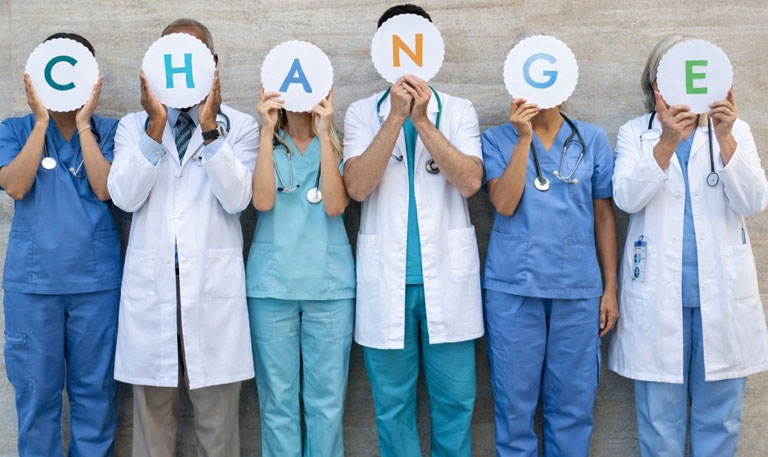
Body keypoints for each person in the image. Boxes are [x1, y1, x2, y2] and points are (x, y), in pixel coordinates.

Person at [608, 35, 768, 457]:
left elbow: (754, 201)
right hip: (658, 298)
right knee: (659, 424)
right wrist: (666, 143)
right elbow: (626, 198)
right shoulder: (635, 134)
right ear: (655, 86)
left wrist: (727, 137)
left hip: (723, 298)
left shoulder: (738, 132)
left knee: (721, 420)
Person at [107, 19, 258, 457]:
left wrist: (210, 128)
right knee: (151, 429)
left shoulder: (240, 127)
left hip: (213, 294)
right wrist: (156, 126)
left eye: (197, 54)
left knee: (219, 428)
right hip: (151, 292)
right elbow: (124, 196)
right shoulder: (134, 127)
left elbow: (236, 199)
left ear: (213, 64)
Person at [343, 4, 484, 456]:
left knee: (455, 404)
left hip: (449, 277)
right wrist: (395, 120)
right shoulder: (362, 113)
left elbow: (469, 182)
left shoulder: (458, 111)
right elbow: (358, 187)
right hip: (388, 282)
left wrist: (422, 120)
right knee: (391, 407)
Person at [481, 32, 619, 457]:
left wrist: (610, 288)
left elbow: (603, 217)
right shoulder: (497, 139)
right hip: (513, 290)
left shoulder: (592, 140)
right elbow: (503, 203)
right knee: (514, 409)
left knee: (573, 408)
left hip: (577, 291)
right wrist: (523, 139)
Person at [0, 33, 122, 457]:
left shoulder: (109, 130)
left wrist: (84, 124)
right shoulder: (15, 129)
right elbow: (15, 185)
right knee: (36, 395)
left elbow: (106, 189)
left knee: (96, 394)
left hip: (95, 286)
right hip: (33, 288)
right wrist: (40, 123)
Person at [246, 86, 355, 457]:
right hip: (272, 288)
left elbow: (335, 205)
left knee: (327, 403)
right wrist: (266, 130)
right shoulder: (264, 143)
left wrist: (324, 135)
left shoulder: (339, 143)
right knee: (277, 401)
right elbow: (261, 200)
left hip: (330, 287)